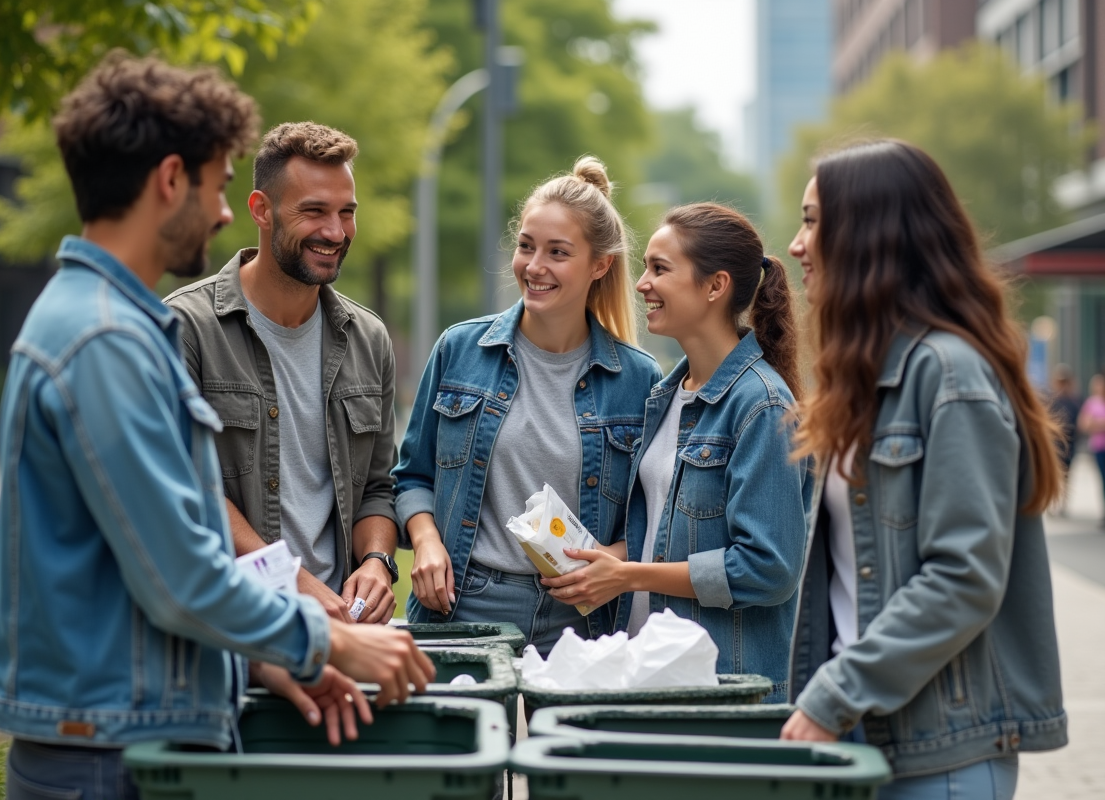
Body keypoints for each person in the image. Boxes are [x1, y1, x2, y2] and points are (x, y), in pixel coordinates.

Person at [0, 54, 434, 799]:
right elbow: (181, 574)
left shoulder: (112, 325)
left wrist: (269, 663)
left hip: (129, 730)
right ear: (170, 180)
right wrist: (329, 641)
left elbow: (146, 566)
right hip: (107, 752)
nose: (224, 214)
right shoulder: (107, 341)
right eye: (218, 186)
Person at [781, 140, 1067, 798]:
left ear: (871, 236)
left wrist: (836, 692)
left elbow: (963, 577)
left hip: (940, 751)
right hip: (859, 727)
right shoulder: (864, 382)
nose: (796, 245)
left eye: (813, 221)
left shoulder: (949, 374)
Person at [541, 203, 810, 702]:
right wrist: (604, 560)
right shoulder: (666, 396)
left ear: (715, 286)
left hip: (723, 694)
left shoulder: (763, 406)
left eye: (660, 269)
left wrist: (627, 577)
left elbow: (768, 568)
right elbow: (667, 534)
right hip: (651, 673)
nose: (642, 283)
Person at [393, 157, 662, 654]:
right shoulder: (459, 350)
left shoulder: (640, 380)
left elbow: (654, 517)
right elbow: (412, 477)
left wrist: (613, 562)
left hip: (582, 621)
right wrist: (426, 541)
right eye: (526, 246)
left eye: (558, 252)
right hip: (463, 607)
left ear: (600, 265)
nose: (534, 266)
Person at [166, 122, 400, 626]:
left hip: (342, 625)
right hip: (231, 628)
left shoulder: (369, 338)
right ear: (261, 210)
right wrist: (290, 579)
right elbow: (183, 486)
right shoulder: (185, 328)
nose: (335, 232)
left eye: (346, 212)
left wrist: (377, 561)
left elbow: (378, 489)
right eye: (313, 211)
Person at [1049, 364, 1080, 514]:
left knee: (1066, 474)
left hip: (1069, 444)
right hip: (1054, 444)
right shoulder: (1051, 400)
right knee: (1052, 474)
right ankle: (1052, 502)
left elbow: (1078, 423)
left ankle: (1063, 503)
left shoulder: (1075, 402)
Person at [1078, 373, 1105, 524]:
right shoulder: (1092, 403)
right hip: (1099, 447)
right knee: (1103, 479)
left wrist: (1097, 423)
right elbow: (1084, 424)